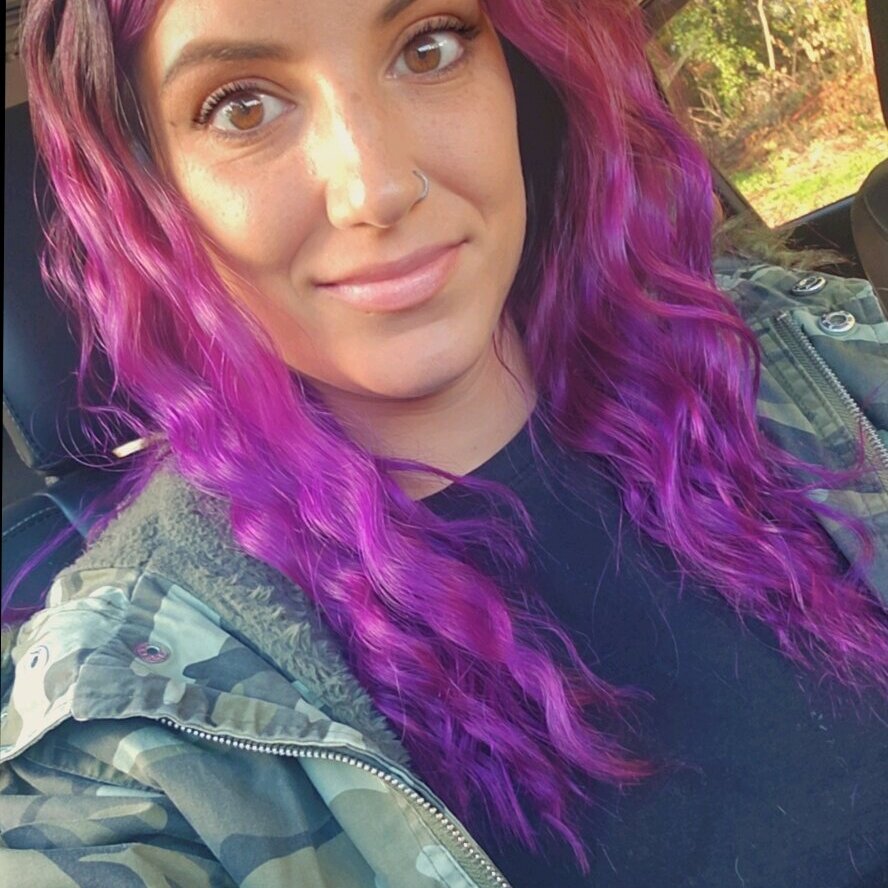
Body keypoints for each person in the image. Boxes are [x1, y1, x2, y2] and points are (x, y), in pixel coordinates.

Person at [1, 0, 887, 885]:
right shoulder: (137, 707)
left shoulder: (804, 363)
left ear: (520, 78)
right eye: (242, 107)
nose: (378, 187)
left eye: (428, 47)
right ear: (151, 191)